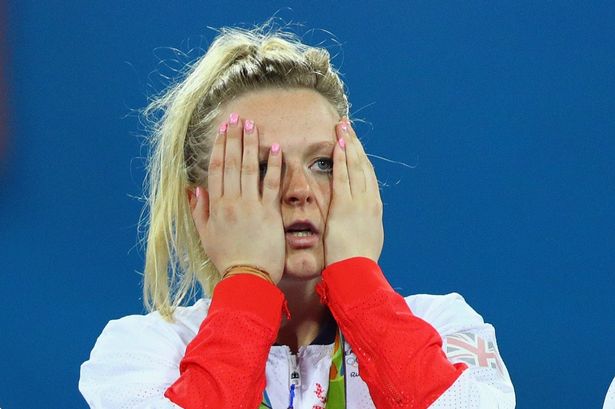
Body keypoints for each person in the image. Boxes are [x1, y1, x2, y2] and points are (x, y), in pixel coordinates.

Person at [79, 25, 515, 409]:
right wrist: (247, 279)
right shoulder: (142, 352)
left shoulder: (442, 327)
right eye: (261, 168)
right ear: (202, 204)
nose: (299, 192)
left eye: (323, 163)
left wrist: (359, 280)